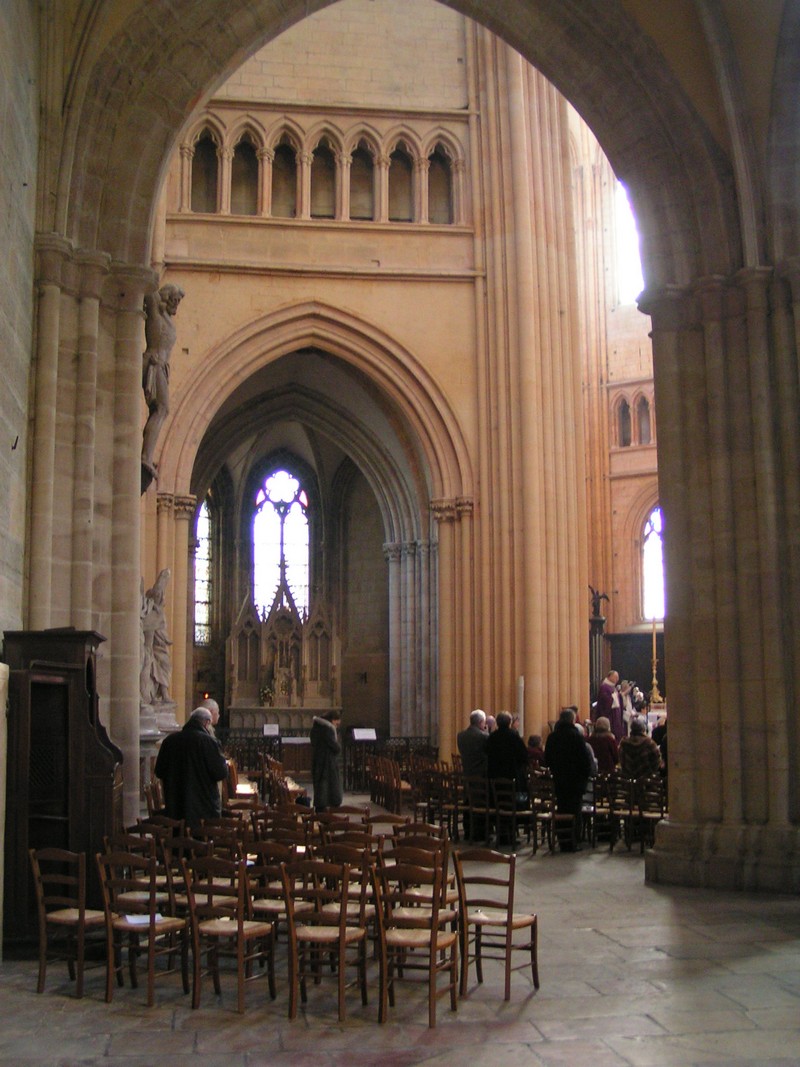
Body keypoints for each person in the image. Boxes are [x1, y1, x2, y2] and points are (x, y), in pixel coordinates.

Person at [154, 706, 228, 830]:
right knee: (202, 845)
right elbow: (221, 773)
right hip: (203, 809)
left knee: (178, 844)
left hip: (175, 806)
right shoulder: (209, 742)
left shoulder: (169, 741)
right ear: (206, 722)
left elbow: (159, 771)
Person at [141, 283, 184, 476]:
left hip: (162, 367)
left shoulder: (166, 318)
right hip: (154, 363)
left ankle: (146, 456)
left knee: (162, 410)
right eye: (175, 299)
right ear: (167, 297)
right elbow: (148, 290)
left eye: (179, 301)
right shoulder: (155, 313)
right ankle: (145, 457)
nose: (177, 304)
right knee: (162, 408)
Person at [544, 707, 593, 851]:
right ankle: (572, 842)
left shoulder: (552, 737)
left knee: (561, 809)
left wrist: (555, 770)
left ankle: (562, 839)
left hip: (558, 780)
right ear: (572, 720)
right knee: (574, 811)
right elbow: (585, 760)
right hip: (575, 781)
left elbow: (547, 759)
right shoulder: (576, 736)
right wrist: (584, 776)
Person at [140, 568, 172, 705]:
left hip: (160, 647)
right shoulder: (150, 612)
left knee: (165, 665)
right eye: (157, 595)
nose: (159, 597)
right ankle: (151, 695)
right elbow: (149, 635)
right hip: (151, 648)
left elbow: (162, 633)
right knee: (150, 665)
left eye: (161, 595)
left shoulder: (159, 614)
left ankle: (163, 693)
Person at [485, 710, 529, 794]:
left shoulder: (492, 737)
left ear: (497, 723)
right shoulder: (514, 736)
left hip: (495, 774)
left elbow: (486, 752)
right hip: (512, 774)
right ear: (510, 723)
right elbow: (523, 755)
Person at [309, 710, 343, 812]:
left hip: (318, 759)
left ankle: (321, 807)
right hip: (327, 762)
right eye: (336, 724)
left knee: (320, 786)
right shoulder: (327, 729)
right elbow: (334, 746)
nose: (336, 727)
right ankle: (327, 810)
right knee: (327, 787)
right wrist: (338, 748)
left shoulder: (316, 728)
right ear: (332, 720)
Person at [457, 709, 488, 779]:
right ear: (481, 722)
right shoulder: (484, 736)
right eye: (484, 722)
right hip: (481, 777)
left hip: (466, 774)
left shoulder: (460, 735)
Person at [594, 670, 624, 740]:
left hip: (615, 715)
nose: (617, 679)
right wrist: (613, 697)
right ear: (610, 676)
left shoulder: (612, 687)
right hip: (610, 715)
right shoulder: (604, 687)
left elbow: (617, 699)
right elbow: (604, 701)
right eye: (616, 677)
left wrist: (619, 696)